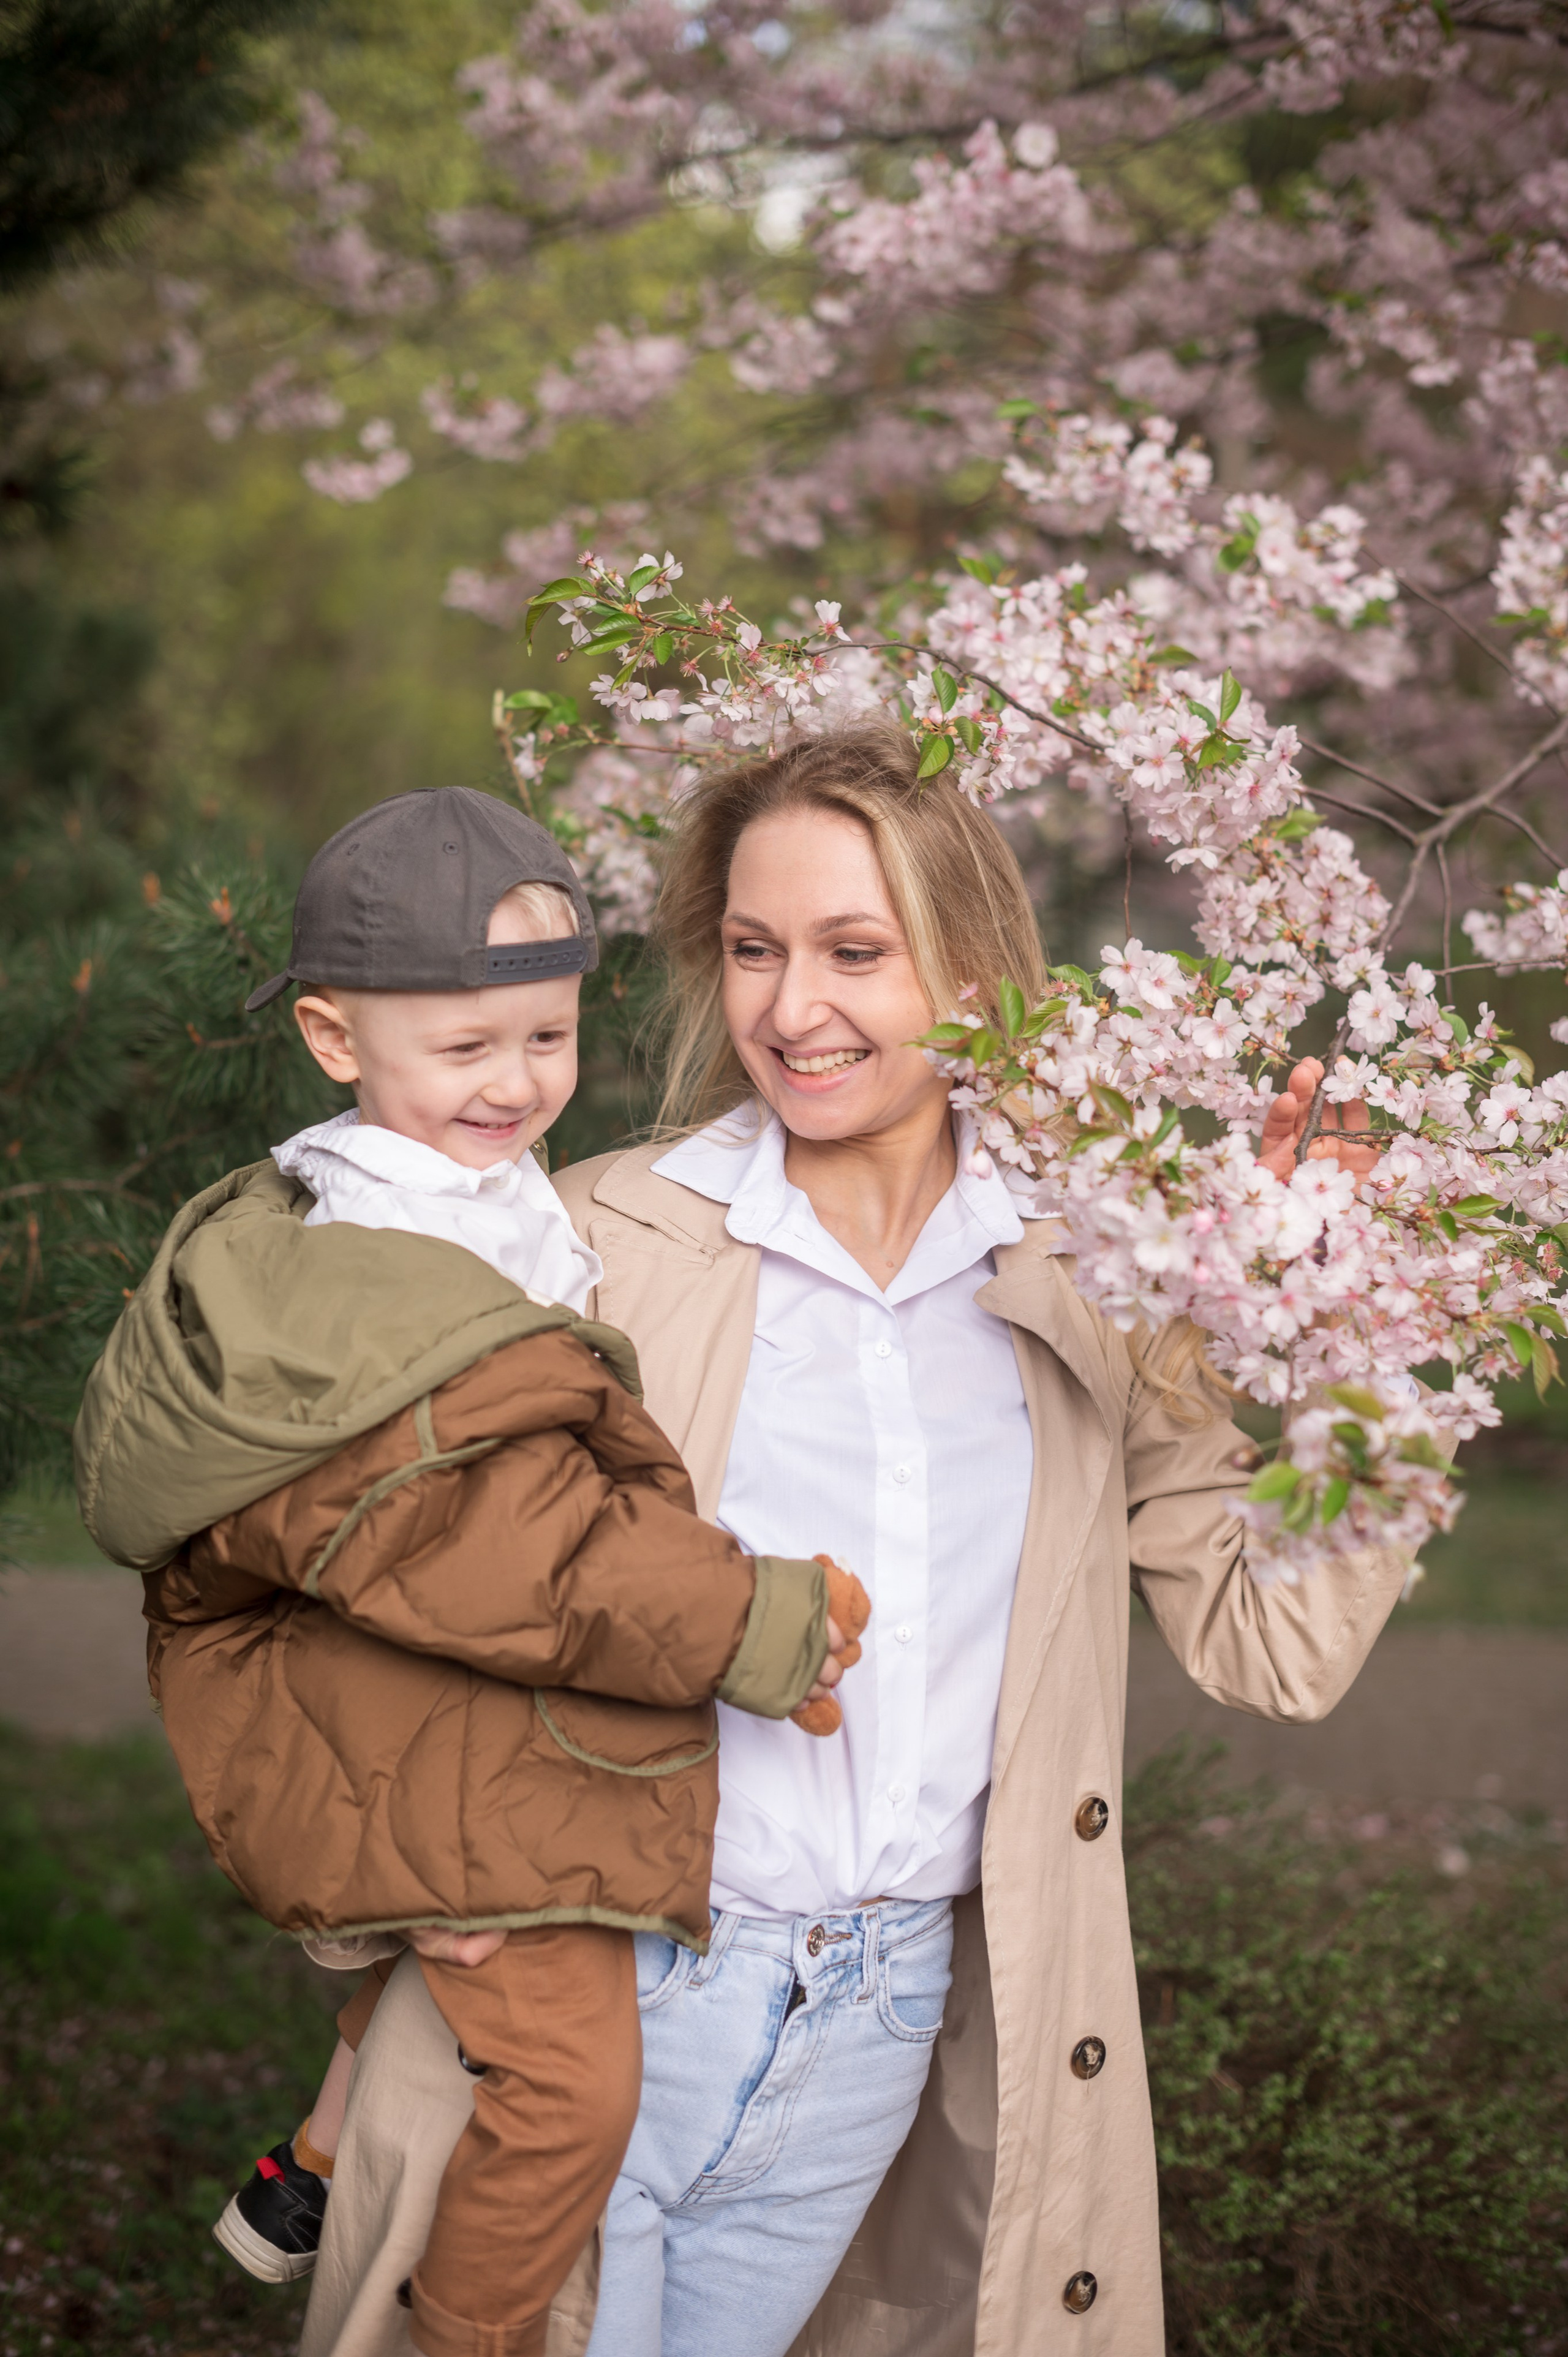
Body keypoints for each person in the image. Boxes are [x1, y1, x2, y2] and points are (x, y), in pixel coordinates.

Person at [300, 724, 1403, 2357]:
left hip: (887, 2024)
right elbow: (358, 1572)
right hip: (608, 1989)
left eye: (854, 952)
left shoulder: (1104, 1273)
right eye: (752, 949)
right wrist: (390, 1873)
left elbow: (1278, 1644)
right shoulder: (587, 1238)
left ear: (972, 965)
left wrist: (1349, 1330)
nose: (790, 1009)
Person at [72, 786, 865, 2357]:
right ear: (332, 1037)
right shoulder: (378, 1263)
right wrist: (756, 1618)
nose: (517, 1085)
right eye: (465, 1048)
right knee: (570, 2089)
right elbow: (509, 1552)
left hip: (421, 1712)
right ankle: (468, 2329)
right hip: (445, 1726)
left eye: (548, 1039)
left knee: (461, 1995)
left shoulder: (423, 1194)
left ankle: (300, 2173)